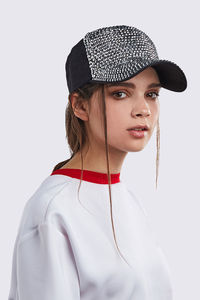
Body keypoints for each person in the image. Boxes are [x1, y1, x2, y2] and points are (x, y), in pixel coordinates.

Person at [8, 25, 187, 300]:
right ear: (80, 106)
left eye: (151, 94)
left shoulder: (127, 199)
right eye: (120, 93)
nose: (144, 110)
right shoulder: (52, 212)